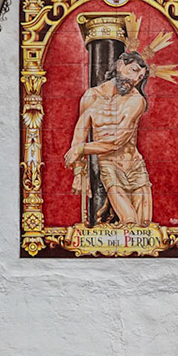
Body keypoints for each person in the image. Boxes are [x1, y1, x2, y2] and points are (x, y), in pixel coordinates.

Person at [64, 49, 155, 226]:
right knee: (130, 221)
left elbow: (117, 141)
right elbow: (79, 135)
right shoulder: (91, 96)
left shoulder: (136, 100)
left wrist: (81, 149)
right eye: (134, 71)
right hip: (110, 167)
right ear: (120, 65)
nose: (135, 80)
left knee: (144, 225)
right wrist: (79, 173)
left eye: (140, 77)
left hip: (135, 167)